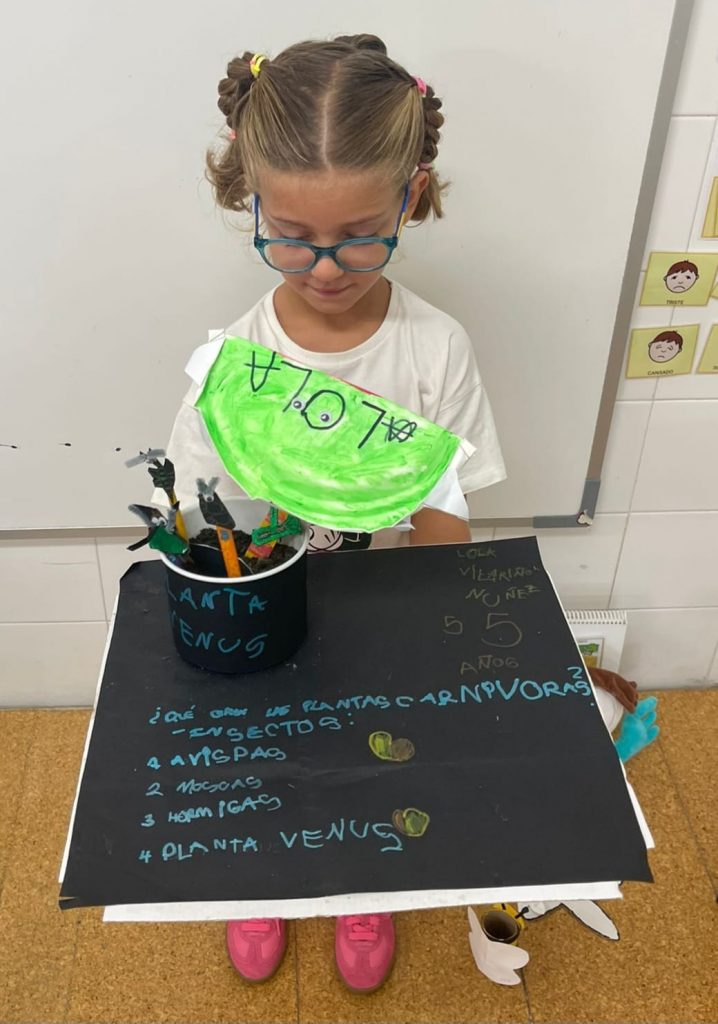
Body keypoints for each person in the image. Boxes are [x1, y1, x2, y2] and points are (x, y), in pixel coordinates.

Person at [158, 34, 639, 994]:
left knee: (371, 761)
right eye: (290, 235)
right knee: (267, 753)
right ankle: (262, 878)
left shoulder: (435, 349)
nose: (325, 267)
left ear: (410, 199)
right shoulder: (237, 361)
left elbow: (440, 510)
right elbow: (203, 513)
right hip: (269, 611)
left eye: (360, 236)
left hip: (388, 616)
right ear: (249, 199)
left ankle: (362, 884)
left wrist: (440, 645)